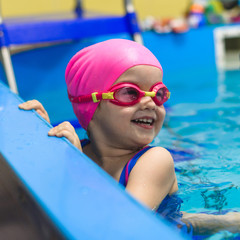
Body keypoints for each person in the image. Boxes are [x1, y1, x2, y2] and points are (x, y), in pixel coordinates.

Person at [19, 39, 240, 237]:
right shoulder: (78, 150)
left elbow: (122, 228)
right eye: (129, 93)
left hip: (153, 227)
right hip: (159, 217)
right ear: (90, 106)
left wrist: (78, 167)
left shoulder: (155, 160)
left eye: (159, 93)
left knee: (178, 224)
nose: (149, 102)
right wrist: (44, 136)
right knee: (179, 221)